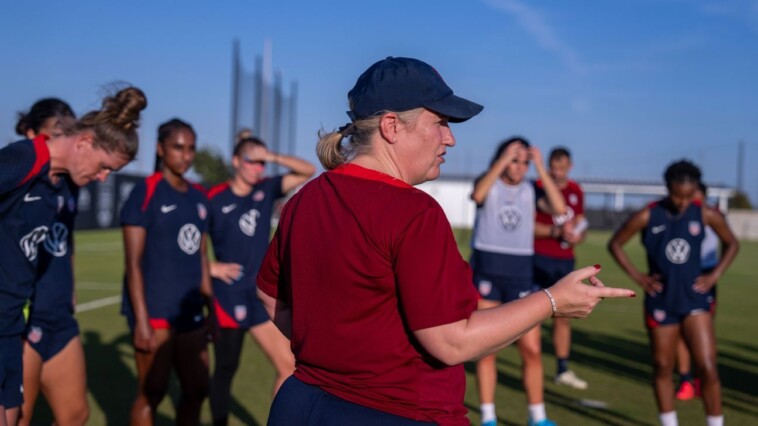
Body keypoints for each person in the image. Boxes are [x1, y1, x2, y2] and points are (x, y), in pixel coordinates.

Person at [256, 56, 635, 426]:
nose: (450, 138)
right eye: (439, 122)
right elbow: (451, 342)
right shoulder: (412, 211)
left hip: (301, 404)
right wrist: (552, 301)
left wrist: (336, 353)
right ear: (391, 126)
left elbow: (272, 297)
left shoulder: (305, 198)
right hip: (398, 411)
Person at [0, 86, 146, 426]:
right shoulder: (24, 158)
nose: (102, 177)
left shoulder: (58, 181)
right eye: (104, 167)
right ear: (83, 143)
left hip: (11, 325)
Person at [608, 160, 739, 426]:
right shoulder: (649, 214)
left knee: (708, 367)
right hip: (661, 301)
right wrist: (638, 277)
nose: (683, 202)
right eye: (678, 195)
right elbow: (616, 243)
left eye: (688, 196)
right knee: (663, 367)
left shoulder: (704, 213)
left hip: (695, 300)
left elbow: (732, 243)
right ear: (668, 188)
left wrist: (714, 275)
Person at [207, 136, 314, 425]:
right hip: (227, 297)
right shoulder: (215, 197)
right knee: (226, 368)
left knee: (288, 366)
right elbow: (192, 238)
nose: (257, 168)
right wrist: (211, 267)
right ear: (235, 162)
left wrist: (272, 155)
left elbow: (308, 170)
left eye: (261, 163)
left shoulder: (266, 189)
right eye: (251, 161)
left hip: (259, 296)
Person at [120, 118, 212, 426]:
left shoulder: (199, 196)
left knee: (198, 389)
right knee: (152, 393)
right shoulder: (145, 193)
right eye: (177, 147)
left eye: (191, 149)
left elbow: (200, 256)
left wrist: (210, 305)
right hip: (155, 312)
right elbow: (132, 264)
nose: (185, 155)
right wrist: (142, 321)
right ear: (160, 149)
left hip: (191, 314)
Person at [470, 137, 568, 426]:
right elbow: (478, 196)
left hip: (521, 273)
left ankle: (537, 416)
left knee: (532, 348)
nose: (519, 166)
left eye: (524, 161)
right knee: (488, 349)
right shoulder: (489, 183)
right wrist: (503, 159)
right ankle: (488, 416)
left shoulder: (531, 189)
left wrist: (539, 165)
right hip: (488, 271)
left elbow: (560, 210)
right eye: (515, 159)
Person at [15, 99, 89, 426]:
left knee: (75, 415)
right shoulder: (14, 179)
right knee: (17, 416)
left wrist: (69, 284)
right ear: (31, 134)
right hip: (21, 318)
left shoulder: (68, 182)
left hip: (59, 314)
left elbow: (64, 237)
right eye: (53, 136)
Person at [533, 147, 589, 391]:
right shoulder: (536, 186)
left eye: (561, 167)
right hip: (536, 257)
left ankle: (562, 369)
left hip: (564, 260)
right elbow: (526, 225)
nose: (557, 172)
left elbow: (580, 223)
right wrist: (554, 232)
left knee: (563, 317)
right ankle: (531, 364)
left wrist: (578, 236)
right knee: (531, 315)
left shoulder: (576, 191)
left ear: (570, 167)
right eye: (553, 167)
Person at [674, 181, 720, 401]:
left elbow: (731, 243)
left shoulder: (711, 215)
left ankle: (703, 377)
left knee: (705, 332)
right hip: (682, 276)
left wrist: (714, 276)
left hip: (705, 277)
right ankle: (685, 379)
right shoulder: (677, 215)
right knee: (681, 330)